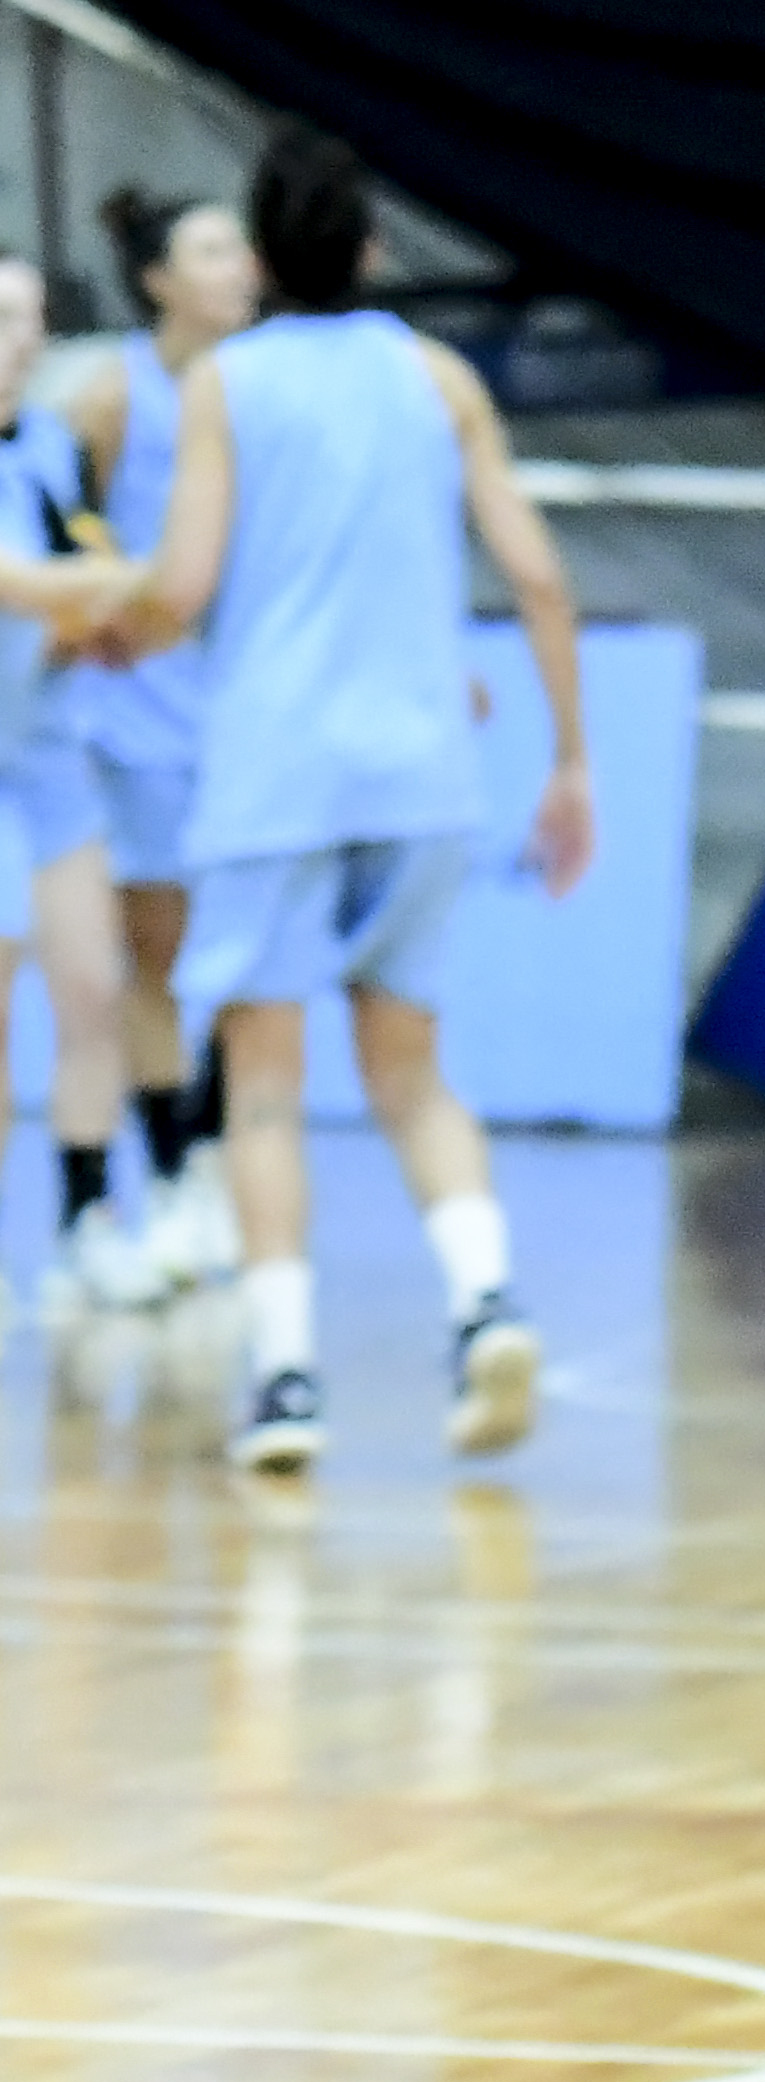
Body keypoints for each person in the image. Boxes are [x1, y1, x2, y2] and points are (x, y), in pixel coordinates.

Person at [108, 127, 592, 1471]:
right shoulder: (434, 377)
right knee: (414, 1071)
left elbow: (184, 584)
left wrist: (115, 626)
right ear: (372, 246)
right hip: (421, 770)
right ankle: (485, 1296)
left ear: (258, 259)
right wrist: (567, 756)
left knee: (264, 1087)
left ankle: (283, 1379)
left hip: (274, 775)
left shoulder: (226, 384)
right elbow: (540, 577)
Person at [64, 186, 260, 1290]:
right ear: (159, 281)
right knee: (160, 963)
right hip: (139, 727)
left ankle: (221, 1158)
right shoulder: (113, 399)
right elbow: (68, 534)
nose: (238, 267)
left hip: (246, 723)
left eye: (242, 247)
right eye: (213, 249)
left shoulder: (263, 396)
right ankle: (176, 1171)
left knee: (245, 959)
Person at [0, 255, 159, 1318]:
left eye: (31, 319)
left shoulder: (54, 449)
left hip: (48, 757)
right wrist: (159, 583)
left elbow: (73, 579)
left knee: (93, 986)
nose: (18, 337)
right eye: (1, 315)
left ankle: (88, 1220)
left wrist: (100, 628)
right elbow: (23, 582)